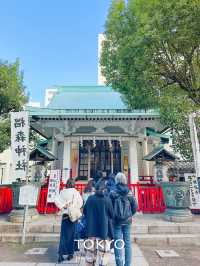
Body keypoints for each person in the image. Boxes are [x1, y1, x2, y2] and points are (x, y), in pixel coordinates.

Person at [83, 182, 114, 266]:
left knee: (90, 253)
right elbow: (112, 214)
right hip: (103, 231)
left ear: (95, 189)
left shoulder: (90, 198)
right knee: (103, 254)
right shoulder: (107, 200)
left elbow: (84, 212)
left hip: (90, 230)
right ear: (104, 189)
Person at [110, 172, 137, 266]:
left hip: (116, 221)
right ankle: (127, 264)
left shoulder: (112, 192)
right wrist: (130, 214)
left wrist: (112, 216)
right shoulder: (129, 192)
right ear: (125, 180)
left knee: (118, 243)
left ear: (116, 180)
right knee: (127, 243)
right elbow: (135, 207)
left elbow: (109, 207)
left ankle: (119, 264)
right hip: (127, 221)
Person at [55, 178, 83, 263]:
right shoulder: (75, 192)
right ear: (73, 184)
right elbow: (80, 203)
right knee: (71, 236)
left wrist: (63, 206)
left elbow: (57, 200)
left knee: (63, 236)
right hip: (72, 216)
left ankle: (60, 255)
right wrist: (74, 207)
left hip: (65, 215)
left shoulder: (62, 192)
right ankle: (70, 254)